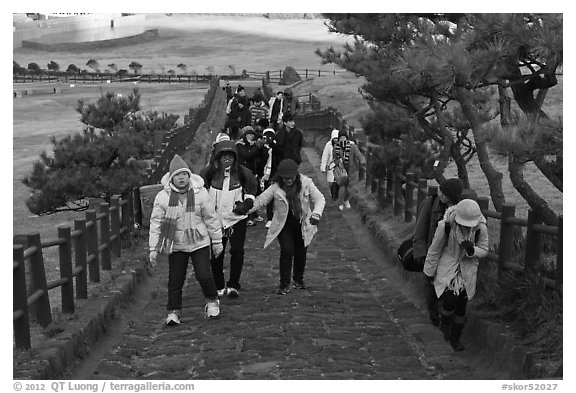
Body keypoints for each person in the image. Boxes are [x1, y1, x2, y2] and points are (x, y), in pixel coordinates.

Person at [148, 154, 223, 325]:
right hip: (176, 244)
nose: (181, 178)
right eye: (177, 175)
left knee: (204, 275)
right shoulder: (163, 197)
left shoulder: (200, 193)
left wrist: (217, 241)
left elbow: (211, 218)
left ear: (189, 175)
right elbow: (156, 223)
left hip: (199, 241)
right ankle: (173, 311)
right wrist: (153, 248)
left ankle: (212, 301)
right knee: (175, 279)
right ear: (171, 178)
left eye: (184, 174)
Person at [242, 159, 326, 295]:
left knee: (301, 251)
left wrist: (316, 214)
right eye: (285, 178)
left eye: (291, 178)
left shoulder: (306, 183)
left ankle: (298, 280)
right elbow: (261, 200)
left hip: (302, 222)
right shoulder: (275, 187)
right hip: (283, 225)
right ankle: (284, 284)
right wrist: (244, 209)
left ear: (296, 175)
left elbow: (319, 199)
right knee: (287, 250)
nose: (288, 181)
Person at [423, 198, 488, 351]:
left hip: (468, 270)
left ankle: (455, 339)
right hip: (448, 268)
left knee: (461, 306)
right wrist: (429, 272)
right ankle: (444, 324)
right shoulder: (445, 226)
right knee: (449, 300)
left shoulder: (480, 229)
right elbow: (434, 249)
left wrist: (472, 250)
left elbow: (484, 250)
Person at [199, 140, 258, 299]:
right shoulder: (207, 173)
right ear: (217, 158)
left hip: (236, 219)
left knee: (237, 250)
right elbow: (199, 190)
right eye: (223, 156)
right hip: (215, 220)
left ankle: (233, 284)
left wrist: (247, 204)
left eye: (230, 156)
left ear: (235, 158)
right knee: (217, 252)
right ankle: (218, 285)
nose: (227, 160)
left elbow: (252, 187)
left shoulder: (243, 173)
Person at [413, 178, 464, 326]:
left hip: (451, 255)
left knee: (448, 286)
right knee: (430, 284)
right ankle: (434, 317)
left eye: (445, 193)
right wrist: (421, 253)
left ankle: (445, 317)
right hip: (432, 251)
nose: (440, 194)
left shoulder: (459, 209)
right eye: (440, 191)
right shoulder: (431, 203)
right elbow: (420, 229)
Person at [236, 126, 267, 225]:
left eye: (252, 135)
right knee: (246, 193)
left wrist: (261, 148)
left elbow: (261, 157)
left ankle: (254, 213)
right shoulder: (240, 145)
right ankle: (247, 216)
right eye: (249, 134)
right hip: (243, 173)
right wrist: (257, 148)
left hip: (253, 171)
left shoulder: (254, 145)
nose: (251, 137)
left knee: (255, 193)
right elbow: (246, 155)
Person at [332, 129, 366, 210]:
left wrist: (362, 161)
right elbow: (334, 158)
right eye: (341, 137)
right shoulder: (336, 147)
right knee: (342, 187)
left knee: (350, 188)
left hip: (351, 170)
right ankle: (340, 203)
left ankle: (346, 200)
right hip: (341, 171)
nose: (342, 139)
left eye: (344, 137)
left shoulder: (352, 146)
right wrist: (338, 161)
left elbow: (359, 155)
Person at [320, 129, 341, 201]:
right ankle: (333, 195)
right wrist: (323, 167)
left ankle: (336, 196)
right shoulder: (328, 145)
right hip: (331, 166)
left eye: (337, 138)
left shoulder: (341, 144)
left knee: (338, 182)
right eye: (334, 138)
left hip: (339, 166)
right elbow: (325, 156)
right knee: (332, 182)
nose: (336, 140)